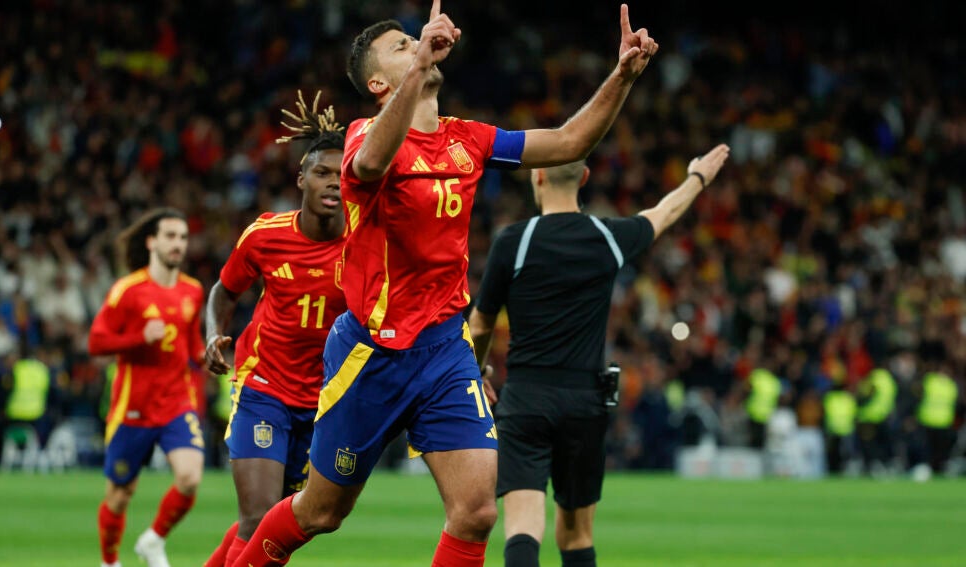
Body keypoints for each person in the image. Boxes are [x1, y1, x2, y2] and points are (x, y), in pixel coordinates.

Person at [231, 2, 659, 566]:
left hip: (444, 349)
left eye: (417, 41)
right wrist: (419, 65)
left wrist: (622, 76)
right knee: (320, 512)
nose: (417, 46)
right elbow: (368, 166)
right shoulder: (364, 135)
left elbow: (567, 143)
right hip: (371, 353)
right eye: (402, 46)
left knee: (477, 511)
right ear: (378, 83)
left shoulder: (469, 138)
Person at [468, 147, 730, 567]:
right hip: (584, 401)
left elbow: (480, 324)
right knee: (576, 534)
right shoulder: (607, 237)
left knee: (523, 526)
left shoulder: (514, 241)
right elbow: (663, 213)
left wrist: (477, 372)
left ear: (537, 177)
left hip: (526, 398)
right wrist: (697, 178)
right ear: (585, 178)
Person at [203, 91, 347, 567]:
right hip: (264, 386)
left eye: (343, 174)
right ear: (302, 178)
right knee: (257, 517)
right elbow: (224, 291)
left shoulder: (365, 247)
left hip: (323, 401)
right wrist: (213, 333)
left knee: (279, 527)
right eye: (322, 173)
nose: (334, 182)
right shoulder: (266, 234)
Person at [89, 207, 207, 567]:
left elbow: (191, 345)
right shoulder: (127, 290)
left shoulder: (193, 291)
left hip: (176, 403)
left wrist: (208, 355)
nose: (178, 244)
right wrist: (139, 337)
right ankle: (110, 562)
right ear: (151, 242)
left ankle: (154, 540)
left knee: (189, 477)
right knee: (120, 495)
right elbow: (96, 343)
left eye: (183, 237)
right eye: (170, 236)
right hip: (133, 407)